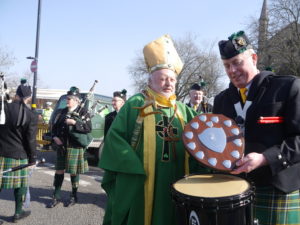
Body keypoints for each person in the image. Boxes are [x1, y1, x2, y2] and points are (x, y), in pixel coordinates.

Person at [99, 34, 206, 225]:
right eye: (163, 79)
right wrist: (133, 168)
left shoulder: (184, 112)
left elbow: (202, 141)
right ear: (150, 81)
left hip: (178, 179)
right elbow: (115, 140)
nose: (168, 84)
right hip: (142, 182)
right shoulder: (136, 105)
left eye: (172, 80)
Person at [213, 30, 300, 225]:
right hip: (232, 190)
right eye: (227, 66)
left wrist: (264, 158)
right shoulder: (221, 100)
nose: (232, 71)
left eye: (237, 62)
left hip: (276, 189)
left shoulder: (287, 87)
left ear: (253, 58)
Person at [47, 86, 92, 208]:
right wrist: (55, 138)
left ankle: (73, 195)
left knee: (73, 172)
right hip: (62, 146)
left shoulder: (84, 112)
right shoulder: (61, 112)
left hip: (75, 146)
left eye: (70, 99)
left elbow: (88, 128)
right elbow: (54, 128)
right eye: (67, 98)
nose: (68, 101)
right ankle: (56, 196)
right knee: (59, 170)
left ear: (77, 100)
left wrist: (75, 123)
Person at [0, 80, 37, 223]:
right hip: (18, 154)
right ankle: (17, 212)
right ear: (28, 97)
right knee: (21, 184)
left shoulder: (2, 107)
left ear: (16, 94)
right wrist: (32, 158)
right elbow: (31, 141)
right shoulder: (31, 115)